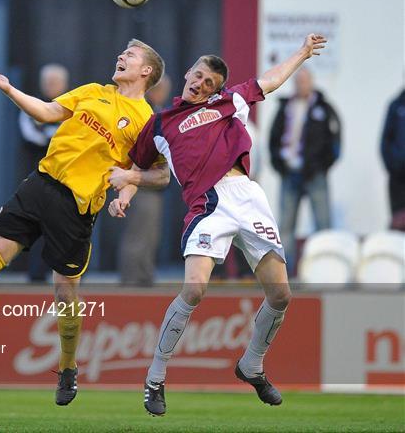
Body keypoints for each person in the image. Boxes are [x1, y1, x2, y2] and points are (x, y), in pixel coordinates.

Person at [0, 39, 168, 406]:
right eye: (121, 51)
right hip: (41, 184)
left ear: (146, 72)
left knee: (65, 293)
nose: (121, 56)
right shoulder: (94, 91)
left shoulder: (146, 120)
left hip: (77, 207)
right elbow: (46, 113)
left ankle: (67, 368)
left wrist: (124, 194)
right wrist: (8, 88)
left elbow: (150, 172)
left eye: (130, 54)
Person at [108, 34, 327, 416]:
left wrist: (303, 54)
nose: (200, 84)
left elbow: (270, 81)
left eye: (209, 82)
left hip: (246, 195)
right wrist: (126, 190)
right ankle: (156, 376)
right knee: (194, 288)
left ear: (217, 89)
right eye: (197, 76)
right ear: (188, 73)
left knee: (281, 295)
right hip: (207, 202)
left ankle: (251, 365)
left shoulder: (229, 102)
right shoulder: (160, 124)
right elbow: (146, 171)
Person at [269, 68, 341, 274]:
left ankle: (325, 271)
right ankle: (287, 273)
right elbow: (273, 138)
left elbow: (335, 141)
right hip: (290, 174)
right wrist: (279, 165)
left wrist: (322, 166)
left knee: (323, 225)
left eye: (305, 81)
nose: (301, 85)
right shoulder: (285, 107)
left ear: (312, 82)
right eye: (298, 82)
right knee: (286, 227)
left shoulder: (324, 108)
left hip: (315, 175)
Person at [118, 74, 172, 286]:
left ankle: (144, 275)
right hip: (139, 182)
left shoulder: (158, 111)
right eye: (161, 89)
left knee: (150, 235)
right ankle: (132, 279)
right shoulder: (144, 113)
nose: (163, 94)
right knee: (138, 234)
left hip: (152, 184)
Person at [17, 63, 70, 282]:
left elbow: (76, 137)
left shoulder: (73, 107)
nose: (51, 86)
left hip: (67, 179)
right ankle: (36, 274)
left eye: (56, 82)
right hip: (39, 176)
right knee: (38, 224)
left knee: (68, 226)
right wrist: (55, 138)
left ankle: (69, 274)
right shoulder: (32, 106)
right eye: (48, 82)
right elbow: (30, 135)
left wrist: (53, 138)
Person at [381, 88, 405, 230]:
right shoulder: (396, 105)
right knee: (398, 222)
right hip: (398, 177)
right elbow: (385, 142)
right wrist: (394, 165)